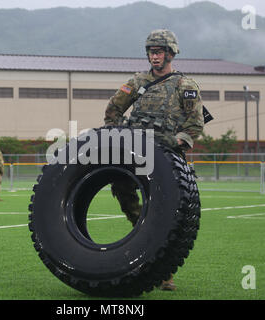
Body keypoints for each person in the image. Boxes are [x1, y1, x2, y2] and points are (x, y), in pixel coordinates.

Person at [104, 29, 205, 291]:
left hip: (165, 158)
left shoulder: (185, 86)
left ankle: (165, 271)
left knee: (167, 216)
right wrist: (115, 134)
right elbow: (114, 108)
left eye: (159, 52)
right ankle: (142, 232)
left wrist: (176, 142)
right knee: (124, 197)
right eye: (151, 51)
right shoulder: (137, 81)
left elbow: (195, 124)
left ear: (170, 53)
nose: (154, 56)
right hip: (133, 151)